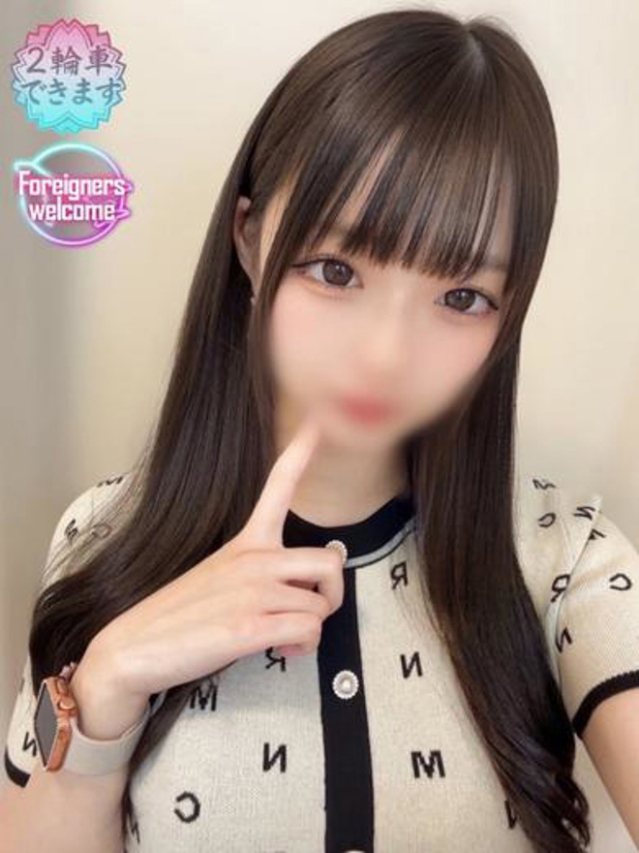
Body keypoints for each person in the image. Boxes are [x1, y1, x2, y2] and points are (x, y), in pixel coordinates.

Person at [2, 8, 638, 853]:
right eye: (336, 270)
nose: (385, 354)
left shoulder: (565, 562)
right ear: (250, 240)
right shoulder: (103, 534)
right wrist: (108, 680)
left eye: (461, 297)